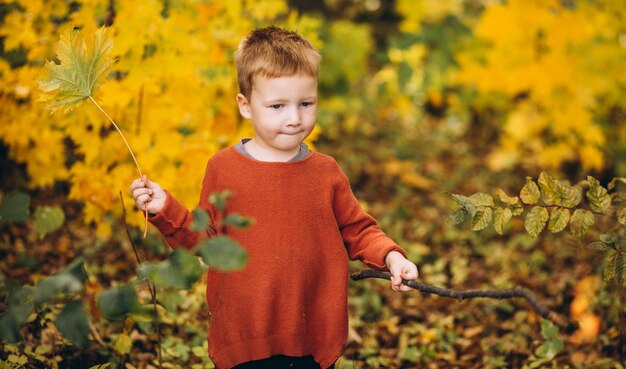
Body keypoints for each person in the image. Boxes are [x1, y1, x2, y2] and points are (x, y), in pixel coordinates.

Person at [130, 26, 419, 369]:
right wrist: (165, 208)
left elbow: (358, 229)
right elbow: (204, 241)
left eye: (305, 103)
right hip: (244, 334)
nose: (294, 118)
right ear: (246, 106)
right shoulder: (224, 168)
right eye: (278, 106)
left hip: (310, 333)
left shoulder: (325, 172)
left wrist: (390, 257)